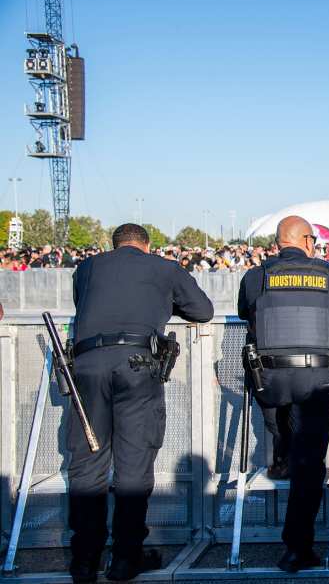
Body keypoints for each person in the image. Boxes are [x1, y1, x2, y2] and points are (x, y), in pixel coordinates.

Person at [67, 224, 214, 583]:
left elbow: (83, 305)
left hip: (86, 366)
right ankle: (125, 559)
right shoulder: (163, 268)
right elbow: (203, 311)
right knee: (133, 466)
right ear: (146, 246)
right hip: (137, 366)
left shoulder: (87, 267)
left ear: (112, 245)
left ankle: (84, 561)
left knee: (88, 464)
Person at [237, 215, 329, 572]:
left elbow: (246, 311)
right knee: (310, 463)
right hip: (315, 379)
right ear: (307, 241)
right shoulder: (328, 274)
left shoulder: (256, 276)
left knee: (283, 437)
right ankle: (296, 547)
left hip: (269, 380)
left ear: (276, 244)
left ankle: (281, 458)